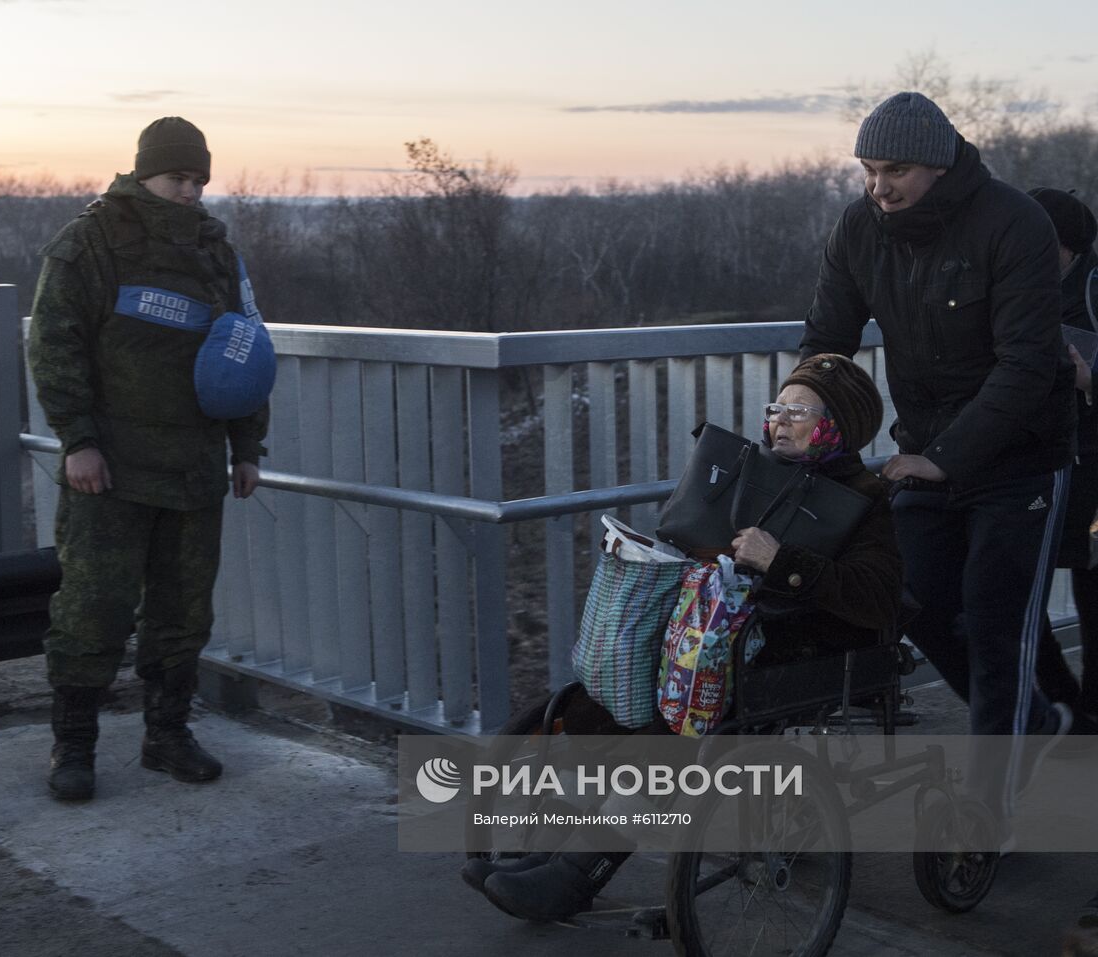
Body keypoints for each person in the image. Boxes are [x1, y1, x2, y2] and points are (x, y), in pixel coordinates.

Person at [465, 354, 901, 922]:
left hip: (792, 646)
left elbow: (877, 596)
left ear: (837, 425)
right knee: (603, 701)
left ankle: (577, 874)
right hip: (712, 640)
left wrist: (783, 560)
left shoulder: (866, 501)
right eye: (776, 408)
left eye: (798, 411)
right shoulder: (755, 474)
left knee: (669, 733)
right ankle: (550, 854)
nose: (779, 421)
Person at [799, 93, 1075, 805]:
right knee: (913, 599)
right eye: (867, 170)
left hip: (1019, 456)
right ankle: (1038, 721)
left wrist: (946, 457)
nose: (878, 187)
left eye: (896, 170)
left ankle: (991, 811)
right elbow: (827, 338)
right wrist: (803, 403)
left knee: (995, 622)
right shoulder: (861, 228)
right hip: (921, 449)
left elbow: (1028, 365)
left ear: (940, 163)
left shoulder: (1015, 223)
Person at [28, 117, 268, 801]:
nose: (190, 191)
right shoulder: (91, 241)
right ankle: (73, 745)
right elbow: (54, 345)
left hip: (194, 468)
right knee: (93, 609)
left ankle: (167, 735)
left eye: (198, 179)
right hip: (112, 469)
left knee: (183, 612)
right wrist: (78, 439)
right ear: (143, 173)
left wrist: (247, 446)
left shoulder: (214, 250)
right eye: (178, 178)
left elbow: (244, 346)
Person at [1027, 188, 1098, 737]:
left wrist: (1087, 378)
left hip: (1091, 456)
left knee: (1093, 584)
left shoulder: (1093, 287)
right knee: (1019, 580)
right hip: (1041, 455)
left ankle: (1087, 708)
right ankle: (1064, 704)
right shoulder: (1017, 285)